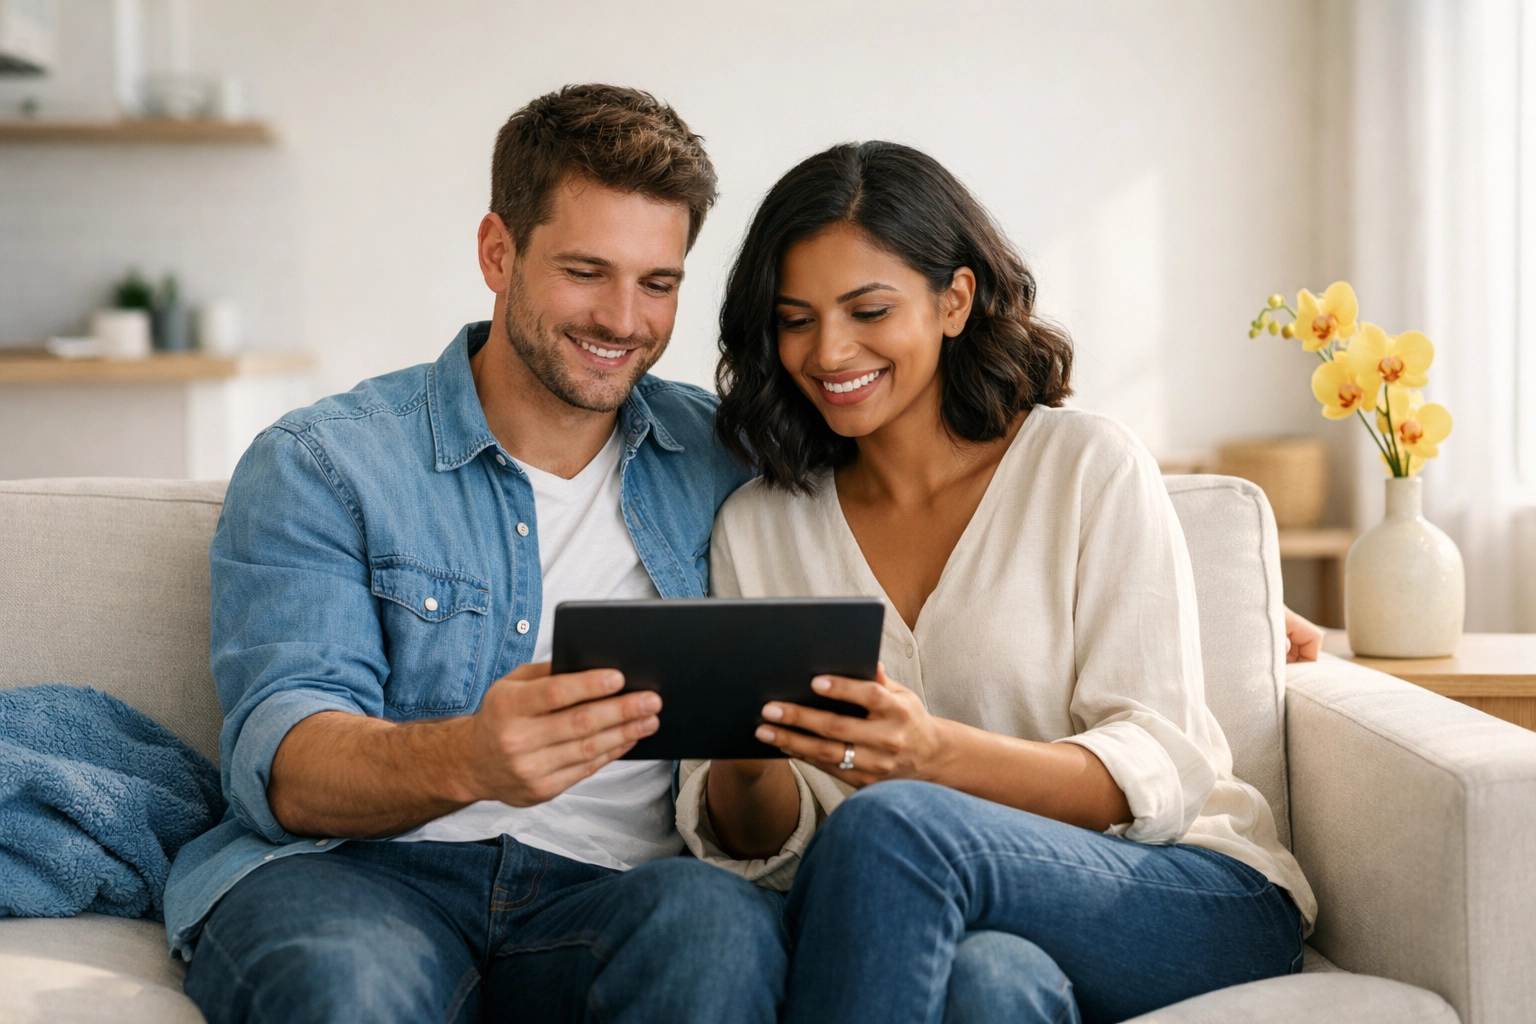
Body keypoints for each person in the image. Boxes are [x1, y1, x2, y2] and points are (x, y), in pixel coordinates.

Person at [164, 84, 785, 1024]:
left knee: (720, 933)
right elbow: (285, 760)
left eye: (658, 284)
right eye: (587, 271)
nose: (625, 320)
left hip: (617, 889)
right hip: (362, 878)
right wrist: (471, 758)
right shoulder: (328, 462)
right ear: (499, 252)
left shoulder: (727, 459)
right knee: (345, 986)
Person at [679, 141, 1317, 1024]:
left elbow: (1163, 765)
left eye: (869, 309)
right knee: (993, 986)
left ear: (954, 300)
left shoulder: (1086, 466)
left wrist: (930, 756)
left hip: (1182, 890)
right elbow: (770, 849)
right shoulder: (760, 525)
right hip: (954, 916)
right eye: (795, 319)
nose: (829, 350)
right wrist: (742, 761)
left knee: (894, 824)